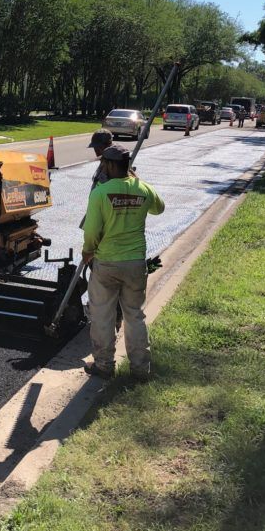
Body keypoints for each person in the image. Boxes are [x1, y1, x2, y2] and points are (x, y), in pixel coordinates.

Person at [82, 145, 165, 380]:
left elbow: (91, 230)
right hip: (135, 263)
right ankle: (140, 368)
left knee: (102, 315)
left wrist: (88, 251)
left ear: (108, 165)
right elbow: (160, 208)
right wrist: (140, 184)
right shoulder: (143, 189)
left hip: (106, 263)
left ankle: (104, 365)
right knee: (134, 315)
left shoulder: (100, 193)